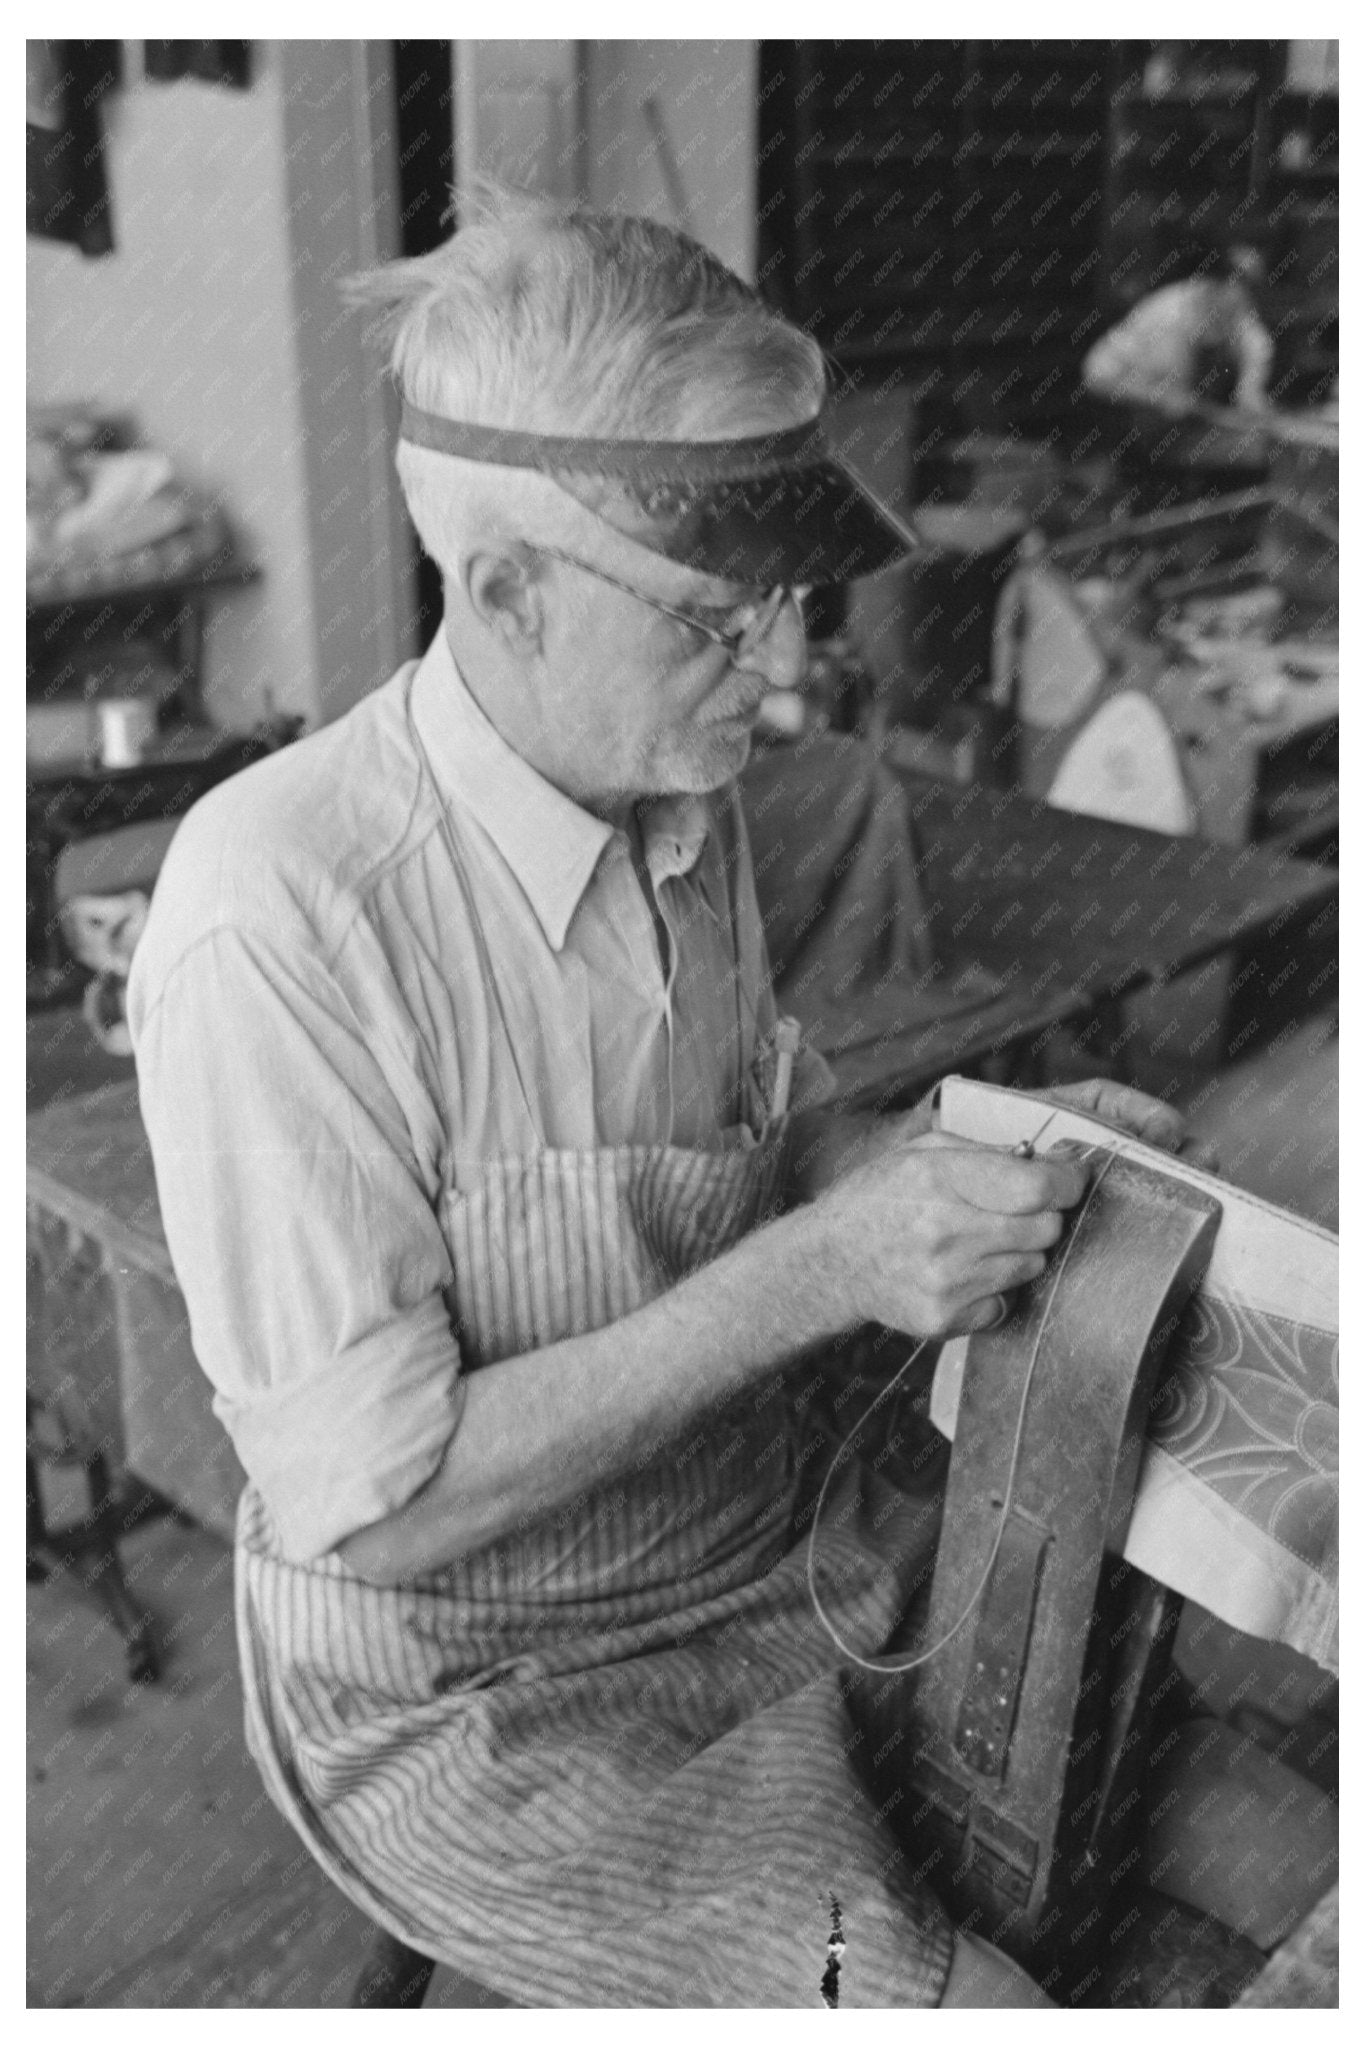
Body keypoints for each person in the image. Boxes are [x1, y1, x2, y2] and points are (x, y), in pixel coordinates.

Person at [128, 189, 1324, 2008]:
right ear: (507, 588)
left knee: (1280, 1852)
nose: (777, 675)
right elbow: (382, 1506)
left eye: (781, 601)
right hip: (493, 1699)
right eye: (711, 617)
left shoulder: (676, 804)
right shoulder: (276, 910)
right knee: (945, 2006)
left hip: (764, 1560)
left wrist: (971, 1160)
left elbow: (760, 1156)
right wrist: (825, 1268)